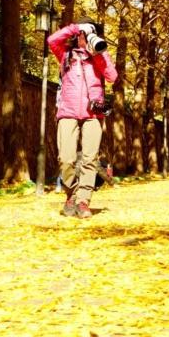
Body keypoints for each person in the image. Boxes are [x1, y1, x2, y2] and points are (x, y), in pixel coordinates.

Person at [47, 20, 119, 218]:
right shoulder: (65, 54)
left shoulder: (98, 57)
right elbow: (51, 40)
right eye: (82, 34)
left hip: (93, 114)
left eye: (89, 33)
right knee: (66, 159)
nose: (84, 37)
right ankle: (72, 193)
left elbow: (112, 76)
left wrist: (99, 51)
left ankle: (83, 201)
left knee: (89, 159)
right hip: (68, 112)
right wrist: (76, 27)